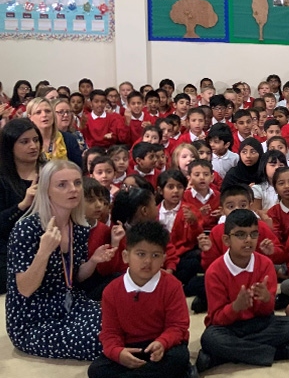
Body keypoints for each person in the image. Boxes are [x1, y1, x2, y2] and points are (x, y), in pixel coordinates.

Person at [6, 159, 116, 360]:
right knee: (102, 341)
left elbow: (76, 278)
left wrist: (93, 261)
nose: (72, 189)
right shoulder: (27, 229)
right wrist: (43, 252)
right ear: (46, 191)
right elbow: (25, 289)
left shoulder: (79, 226)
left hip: (72, 304)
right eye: (62, 185)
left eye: (77, 183)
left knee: (123, 318)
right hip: (35, 320)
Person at [197, 209, 289, 372]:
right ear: (226, 240)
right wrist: (235, 307)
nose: (248, 240)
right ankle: (281, 353)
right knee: (210, 338)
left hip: (259, 323)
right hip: (229, 327)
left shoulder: (265, 264)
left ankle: (220, 357)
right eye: (240, 235)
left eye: (253, 234)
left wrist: (266, 299)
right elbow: (217, 319)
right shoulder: (215, 271)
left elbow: (267, 312)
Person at [88, 221, 191, 378]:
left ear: (163, 259)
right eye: (141, 254)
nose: (148, 262)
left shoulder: (172, 286)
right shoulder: (111, 291)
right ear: (125, 256)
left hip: (161, 346)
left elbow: (178, 326)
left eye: (155, 255)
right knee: (96, 370)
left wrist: (163, 342)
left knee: (179, 358)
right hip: (130, 347)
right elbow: (110, 332)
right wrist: (118, 352)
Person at [0, 118, 46, 291]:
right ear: (10, 146)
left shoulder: (50, 171)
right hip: (9, 248)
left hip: (47, 243)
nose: (33, 146)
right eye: (24, 142)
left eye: (36, 140)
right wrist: (23, 205)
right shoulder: (3, 178)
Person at [26, 98, 83, 166]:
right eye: (38, 112)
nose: (44, 115)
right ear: (30, 117)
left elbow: (78, 168)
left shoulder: (69, 139)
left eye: (48, 111)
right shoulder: (27, 142)